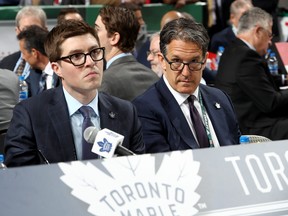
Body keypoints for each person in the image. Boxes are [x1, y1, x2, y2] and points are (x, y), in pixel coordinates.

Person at [4, 20, 145, 167]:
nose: (90, 62)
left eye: (95, 52)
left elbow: (138, 170)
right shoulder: (30, 114)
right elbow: (20, 179)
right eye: (76, 56)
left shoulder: (126, 112)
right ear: (56, 68)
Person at [132, 18, 241, 153]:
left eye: (194, 61)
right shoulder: (145, 109)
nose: (186, 73)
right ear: (162, 61)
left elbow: (237, 152)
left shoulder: (220, 99)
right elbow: (161, 168)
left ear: (205, 60)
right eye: (176, 61)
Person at [215, 7, 288, 140]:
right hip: (252, 128)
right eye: (269, 35)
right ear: (258, 31)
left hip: (244, 120)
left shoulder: (232, 49)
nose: (270, 41)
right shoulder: (246, 57)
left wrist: (283, 80)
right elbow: (271, 103)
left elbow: (258, 81)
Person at [95, 5, 158, 101]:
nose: (93, 34)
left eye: (97, 29)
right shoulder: (154, 77)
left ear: (114, 38)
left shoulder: (105, 82)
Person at [0, 6, 47, 79]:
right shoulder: (5, 63)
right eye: (26, 30)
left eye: (35, 29)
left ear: (45, 30)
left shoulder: (51, 65)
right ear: (17, 31)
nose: (30, 35)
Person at [17, 25, 60, 96]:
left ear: (34, 53)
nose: (23, 58)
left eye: (23, 53)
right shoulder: (33, 75)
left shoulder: (62, 71)